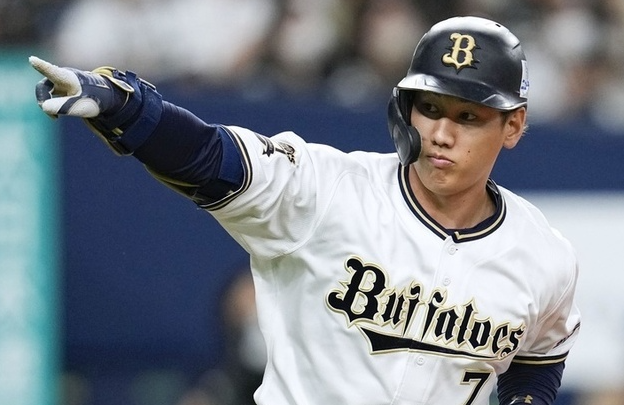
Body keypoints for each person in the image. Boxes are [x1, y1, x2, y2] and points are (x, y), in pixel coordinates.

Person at [30, 16, 581, 405]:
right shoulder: (329, 188)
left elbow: (539, 356)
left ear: (513, 125)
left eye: (468, 117)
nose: (440, 133)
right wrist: (130, 108)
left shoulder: (543, 256)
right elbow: (211, 157)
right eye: (430, 108)